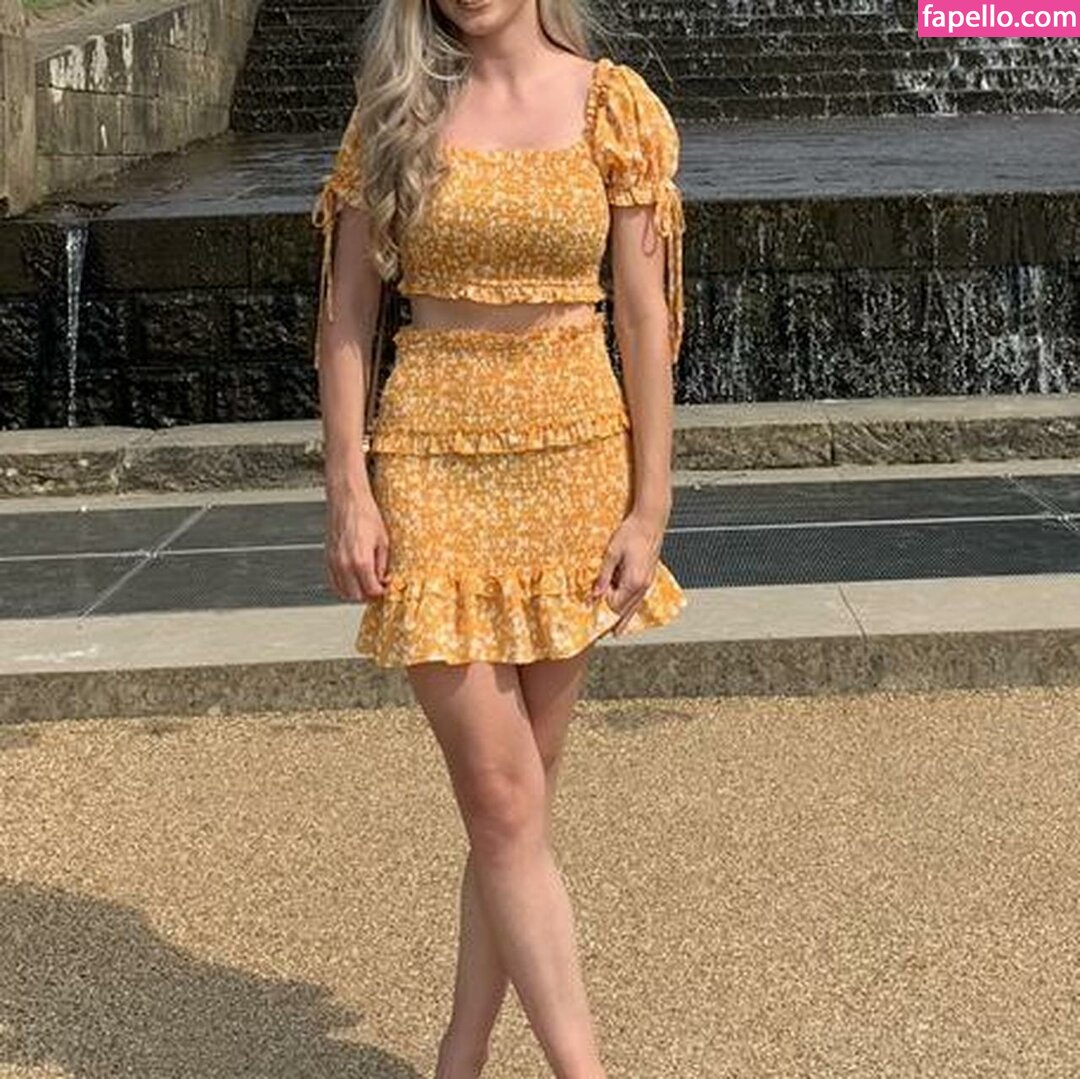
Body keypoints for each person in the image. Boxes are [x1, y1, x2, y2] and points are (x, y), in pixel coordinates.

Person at [310, 1, 688, 1075]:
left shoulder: (615, 108)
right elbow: (347, 317)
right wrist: (348, 487)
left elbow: (645, 318)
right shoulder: (393, 113)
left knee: (514, 808)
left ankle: (462, 1053)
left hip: (576, 457)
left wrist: (650, 506)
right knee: (503, 795)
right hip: (431, 456)